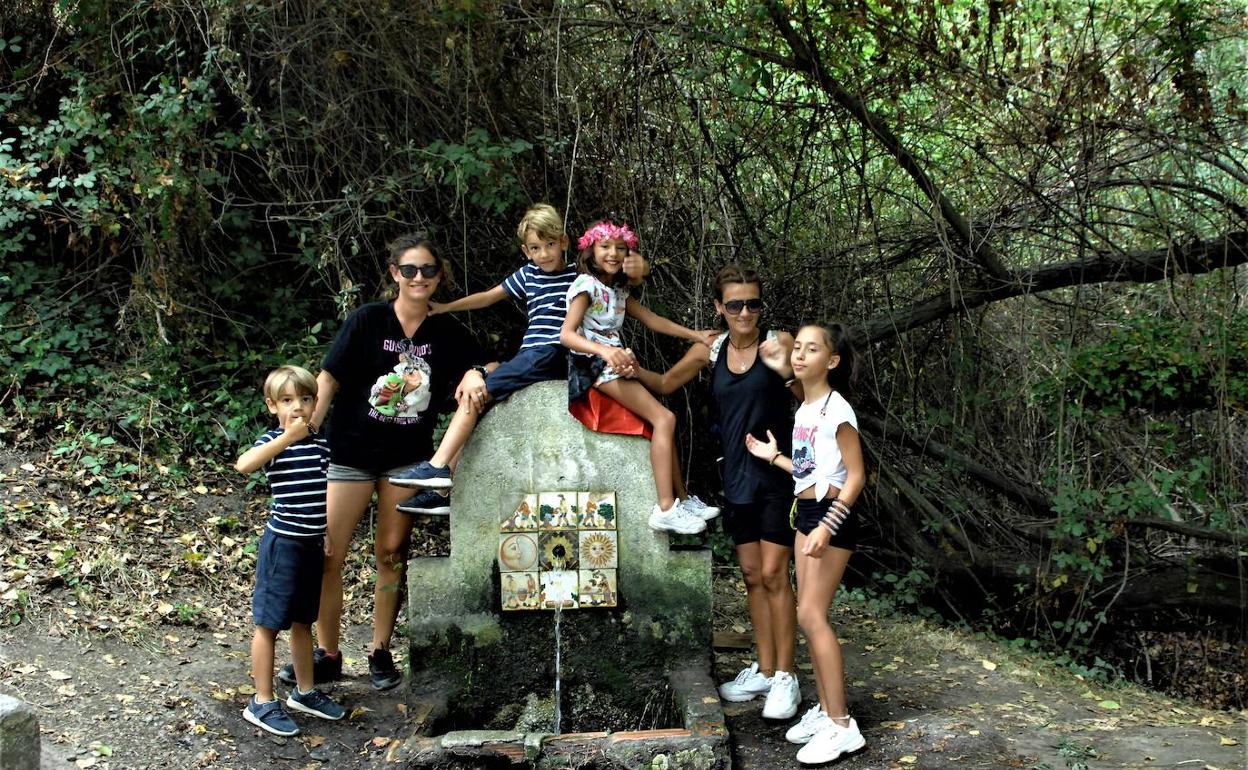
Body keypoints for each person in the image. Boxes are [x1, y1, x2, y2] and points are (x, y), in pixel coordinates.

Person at [276, 233, 493, 692]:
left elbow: (488, 366)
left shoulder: (448, 331)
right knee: (329, 555)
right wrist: (306, 433)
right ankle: (328, 653)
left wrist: (476, 372)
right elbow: (329, 378)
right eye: (409, 270)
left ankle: (379, 649)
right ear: (395, 273)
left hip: (406, 459)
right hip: (350, 452)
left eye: (428, 270)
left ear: (439, 276)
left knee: (392, 555)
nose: (419, 278)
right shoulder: (368, 319)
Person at [388, 204, 649, 510]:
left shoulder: (578, 274)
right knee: (479, 401)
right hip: (532, 355)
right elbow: (488, 297)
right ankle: (442, 489)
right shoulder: (528, 274)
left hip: (553, 351)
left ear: (564, 242)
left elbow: (616, 276)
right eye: (536, 248)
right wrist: (447, 307)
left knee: (481, 391)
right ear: (526, 251)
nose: (544, 254)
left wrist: (640, 269)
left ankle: (438, 466)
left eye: (550, 244)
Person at [635, 264, 801, 719]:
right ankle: (765, 669)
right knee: (751, 575)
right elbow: (666, 383)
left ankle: (786, 677)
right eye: (734, 305)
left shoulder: (779, 342)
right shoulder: (711, 348)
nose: (744, 313)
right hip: (736, 477)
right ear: (718, 307)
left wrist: (786, 371)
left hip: (778, 473)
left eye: (753, 304)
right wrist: (625, 367)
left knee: (775, 575)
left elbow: (811, 396)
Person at [745, 323, 867, 765]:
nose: (799, 354)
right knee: (807, 615)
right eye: (797, 347)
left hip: (831, 518)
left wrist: (827, 527)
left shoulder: (839, 411)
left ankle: (842, 726)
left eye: (811, 349)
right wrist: (774, 456)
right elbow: (808, 470)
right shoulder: (806, 409)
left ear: (831, 361)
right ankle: (826, 710)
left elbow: (856, 476)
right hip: (808, 513)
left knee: (812, 615)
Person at [560, 217, 717, 534]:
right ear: (591, 251)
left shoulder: (617, 291)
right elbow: (566, 334)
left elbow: (652, 319)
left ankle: (682, 499)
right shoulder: (585, 285)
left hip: (614, 364)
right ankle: (665, 508)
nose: (613, 253)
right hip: (593, 366)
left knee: (662, 422)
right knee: (665, 419)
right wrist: (605, 352)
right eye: (605, 246)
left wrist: (696, 335)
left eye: (620, 248)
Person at [235, 365, 345, 736]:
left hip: (311, 544)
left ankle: (305, 691)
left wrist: (325, 531)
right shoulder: (272, 442)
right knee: (268, 623)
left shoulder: (320, 446)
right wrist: (287, 437)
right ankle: (262, 701)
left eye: (305, 398)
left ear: (315, 403)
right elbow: (244, 465)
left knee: (303, 621)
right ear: (272, 406)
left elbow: (320, 492)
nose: (297, 407)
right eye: (287, 400)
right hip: (282, 546)